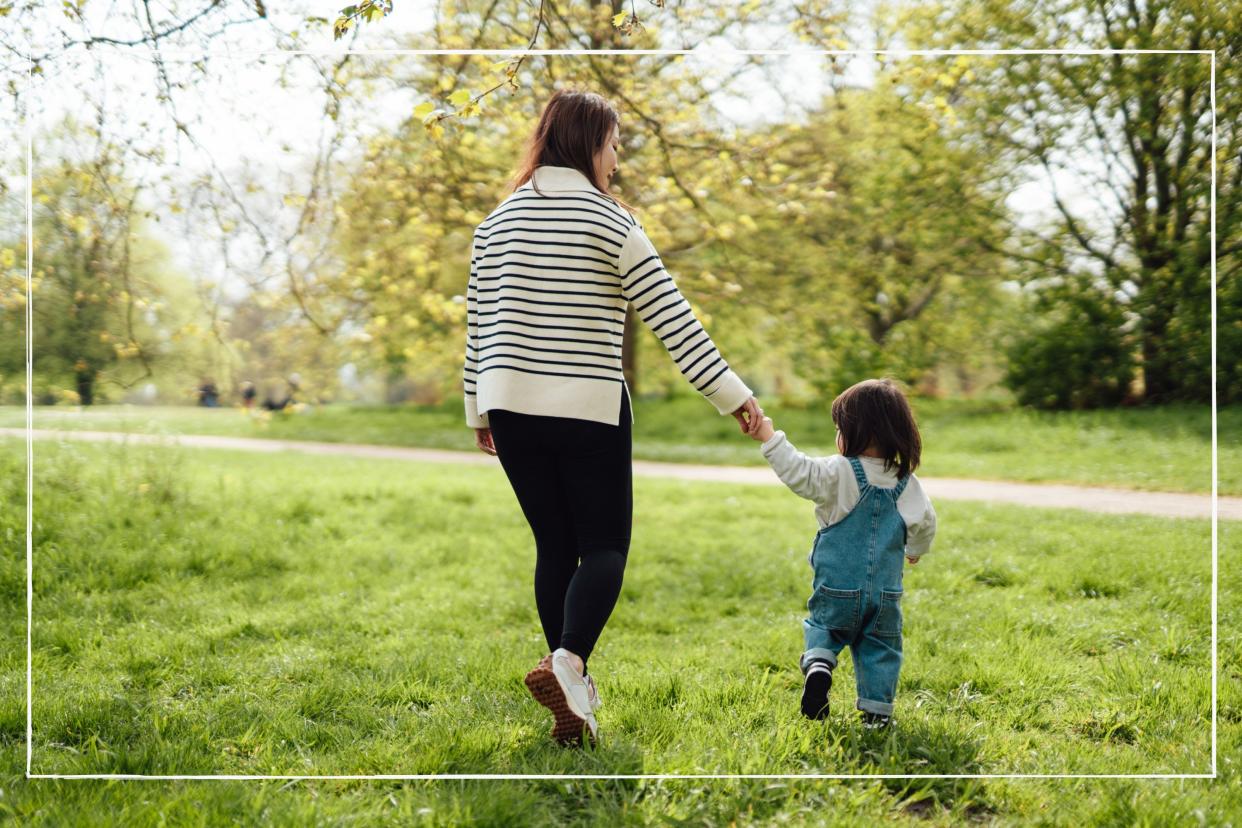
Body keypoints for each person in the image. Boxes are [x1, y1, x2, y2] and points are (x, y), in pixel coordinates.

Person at [463, 88, 765, 746]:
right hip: (588, 410)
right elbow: (674, 320)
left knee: (554, 547)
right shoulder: (610, 223)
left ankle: (570, 695)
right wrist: (733, 395)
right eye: (614, 145)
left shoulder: (495, 224)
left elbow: (478, 328)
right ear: (587, 144)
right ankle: (569, 665)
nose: (617, 161)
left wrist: (477, 409)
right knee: (603, 549)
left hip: (509, 406)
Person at [749, 378, 936, 730]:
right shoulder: (906, 481)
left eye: (839, 427)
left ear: (855, 431)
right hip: (884, 594)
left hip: (837, 587)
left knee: (824, 627)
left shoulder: (838, 472)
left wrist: (769, 438)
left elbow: (798, 471)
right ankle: (877, 715)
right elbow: (926, 521)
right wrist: (915, 549)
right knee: (881, 648)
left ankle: (819, 664)